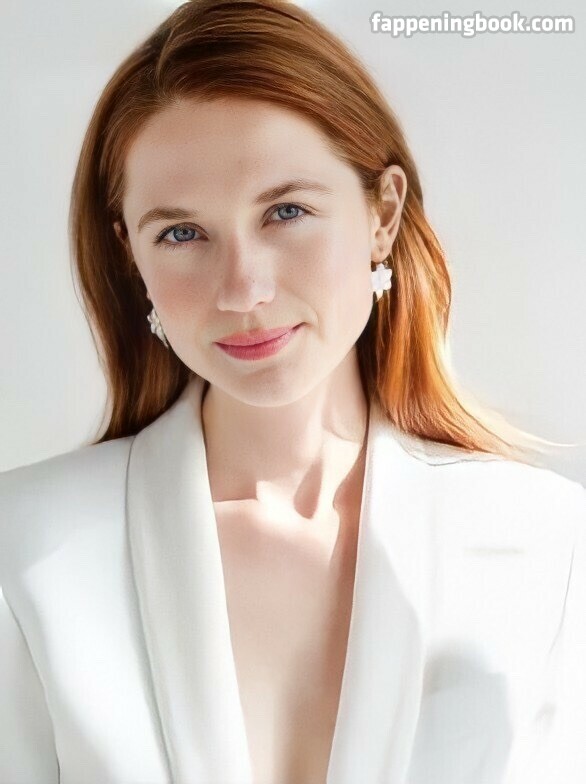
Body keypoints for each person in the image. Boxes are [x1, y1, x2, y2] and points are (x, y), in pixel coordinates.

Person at [1, 1, 584, 782]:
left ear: (383, 215)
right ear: (130, 252)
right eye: (181, 233)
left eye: (286, 212)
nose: (244, 289)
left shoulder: (545, 542)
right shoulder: (24, 552)